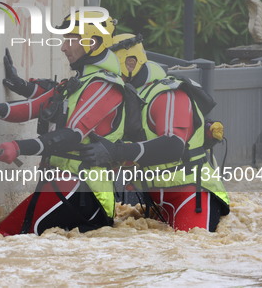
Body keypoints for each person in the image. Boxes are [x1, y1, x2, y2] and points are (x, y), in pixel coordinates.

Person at [0, 10, 126, 236]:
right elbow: (36, 106)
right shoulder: (79, 82)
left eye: (70, 39)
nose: (63, 47)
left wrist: (19, 147)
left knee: (3, 238)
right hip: (63, 186)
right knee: (4, 238)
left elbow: (72, 134)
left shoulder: (105, 86)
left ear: (93, 42)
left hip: (84, 193)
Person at [82, 33, 230, 232]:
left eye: (111, 68)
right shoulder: (127, 98)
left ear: (132, 63)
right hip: (153, 201)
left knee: (190, 249)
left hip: (191, 196)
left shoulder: (168, 95)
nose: (105, 75)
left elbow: (173, 146)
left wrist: (116, 152)